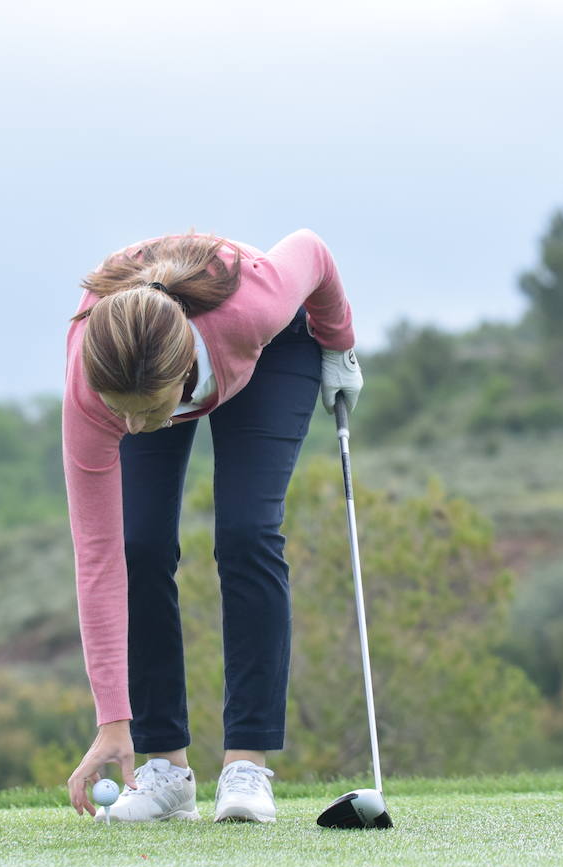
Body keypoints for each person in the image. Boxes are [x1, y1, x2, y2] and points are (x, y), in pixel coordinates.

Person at [61, 229, 363, 823]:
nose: (129, 424)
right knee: (138, 544)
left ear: (181, 379)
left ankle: (245, 768)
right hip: (143, 359)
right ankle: (166, 773)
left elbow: (313, 252)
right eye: (117, 409)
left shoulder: (254, 308)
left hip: (273, 349)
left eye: (144, 411)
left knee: (247, 533)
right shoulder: (95, 392)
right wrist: (113, 721)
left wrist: (339, 346)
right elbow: (99, 560)